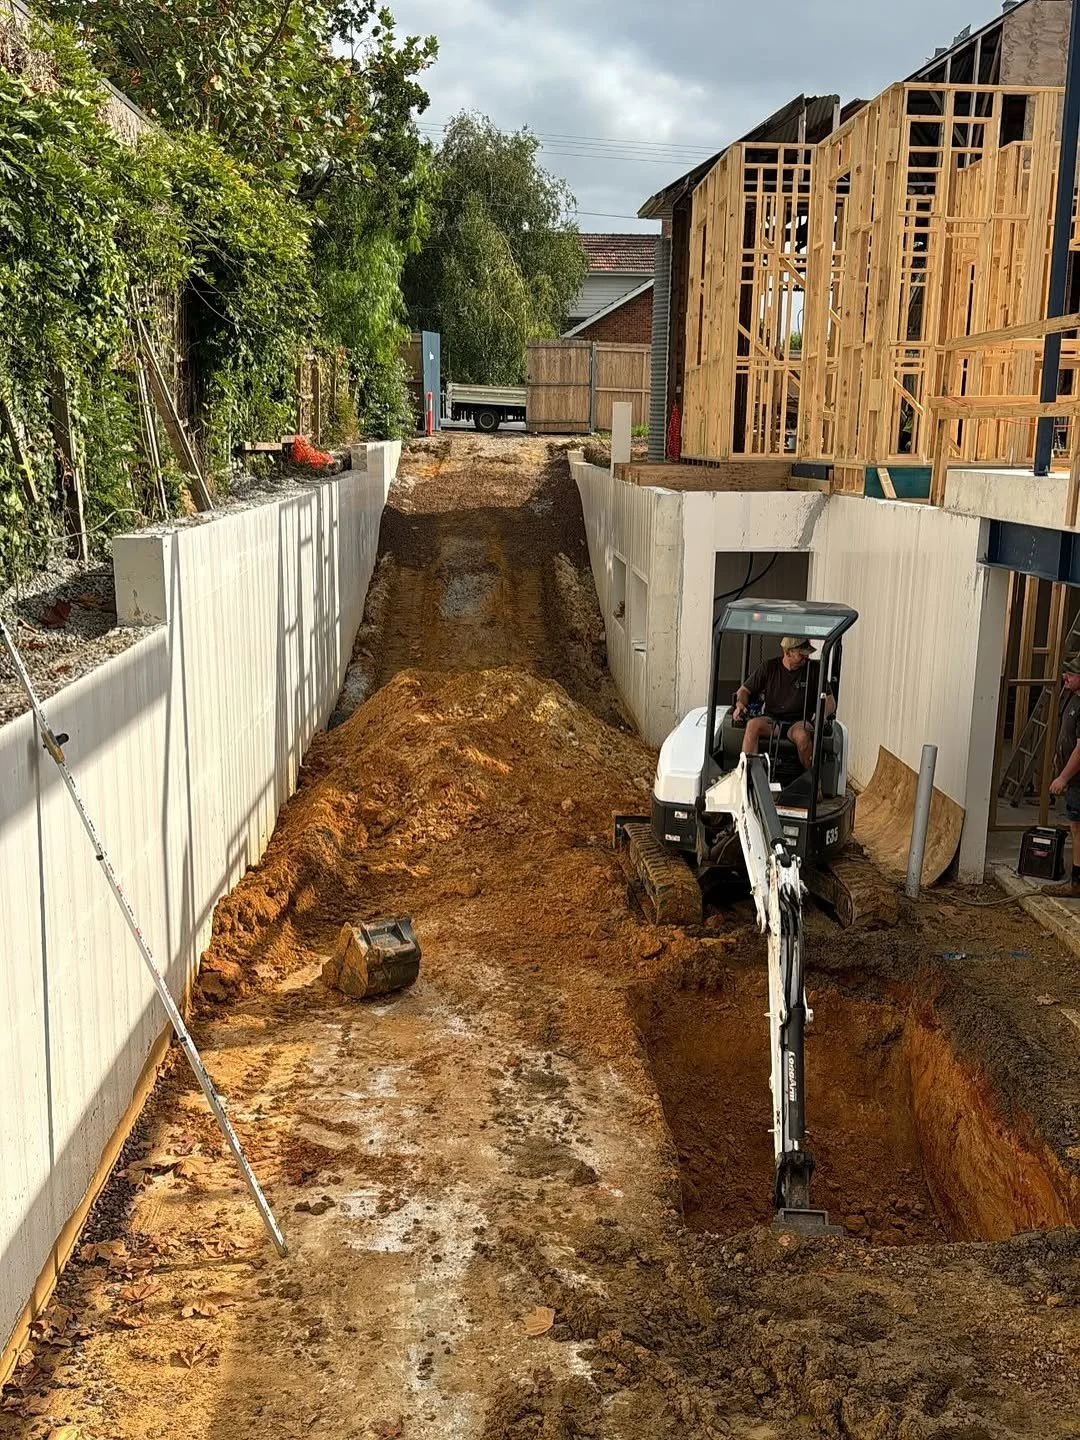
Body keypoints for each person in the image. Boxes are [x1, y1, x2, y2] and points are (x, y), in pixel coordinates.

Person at [732, 635, 834, 770]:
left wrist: (823, 714)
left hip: (800, 721)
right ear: (787, 653)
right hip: (773, 721)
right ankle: (747, 774)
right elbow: (744, 690)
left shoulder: (814, 669)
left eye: (807, 654)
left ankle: (814, 782)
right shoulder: (769, 667)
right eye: (801, 654)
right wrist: (740, 705)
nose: (806, 657)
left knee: (802, 736)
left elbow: (830, 700)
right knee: (752, 725)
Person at [1049, 654, 1080, 894]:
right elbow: (1068, 737)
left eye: (1070, 674)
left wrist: (1063, 777)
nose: (1065, 677)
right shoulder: (1072, 698)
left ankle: (1077, 883)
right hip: (1074, 777)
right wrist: (1059, 758)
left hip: (1078, 780)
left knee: (1078, 827)